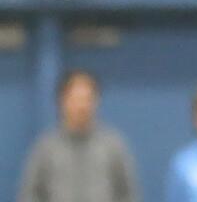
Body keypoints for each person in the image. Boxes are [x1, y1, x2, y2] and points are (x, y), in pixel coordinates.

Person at [19, 70, 139, 202]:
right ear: (62, 101)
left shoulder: (113, 146)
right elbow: (29, 194)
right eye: (76, 99)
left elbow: (129, 193)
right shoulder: (45, 148)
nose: (82, 106)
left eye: (88, 99)